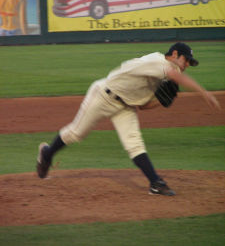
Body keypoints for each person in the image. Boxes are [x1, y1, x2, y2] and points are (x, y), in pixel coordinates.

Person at [37, 42, 220, 196]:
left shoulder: (161, 76)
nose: (187, 64)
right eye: (186, 60)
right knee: (76, 133)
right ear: (174, 54)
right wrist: (204, 93)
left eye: (190, 62)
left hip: (125, 106)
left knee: (134, 144)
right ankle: (47, 153)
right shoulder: (157, 61)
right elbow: (174, 75)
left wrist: (161, 101)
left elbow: (143, 106)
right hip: (103, 95)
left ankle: (155, 183)